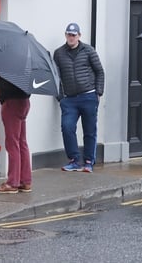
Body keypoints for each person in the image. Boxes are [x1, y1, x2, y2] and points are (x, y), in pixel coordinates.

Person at [53, 22, 105, 173]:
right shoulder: (59, 53)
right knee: (67, 128)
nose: (71, 37)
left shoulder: (88, 50)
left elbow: (100, 71)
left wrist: (98, 93)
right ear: (65, 35)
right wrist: (60, 97)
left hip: (89, 96)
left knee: (89, 130)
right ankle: (74, 160)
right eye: (69, 34)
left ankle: (88, 162)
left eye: (74, 35)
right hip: (69, 99)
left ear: (79, 36)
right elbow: (56, 76)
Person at [0, 75, 33, 194]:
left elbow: (11, 86)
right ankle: (25, 181)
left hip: (12, 103)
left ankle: (12, 183)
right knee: (21, 142)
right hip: (24, 102)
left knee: (12, 143)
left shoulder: (10, 67)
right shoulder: (25, 64)